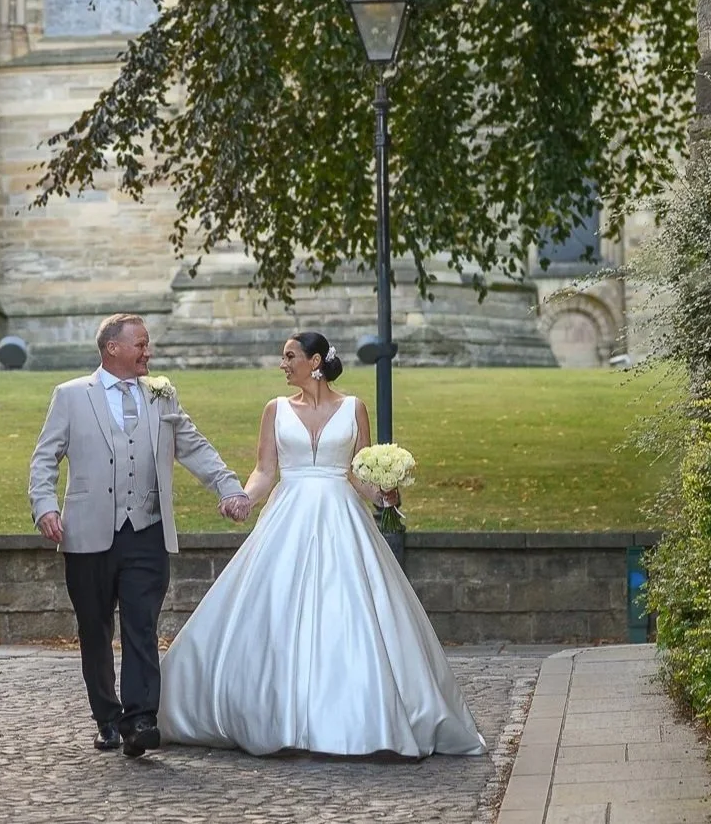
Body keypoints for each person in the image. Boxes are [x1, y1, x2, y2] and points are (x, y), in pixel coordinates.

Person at [158, 331, 485, 758]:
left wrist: (387, 492)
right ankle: (270, 713)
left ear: (314, 362)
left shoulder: (354, 409)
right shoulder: (274, 410)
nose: (283, 364)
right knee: (275, 610)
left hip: (341, 517)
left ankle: (359, 719)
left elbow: (358, 472)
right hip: (287, 515)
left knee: (351, 611)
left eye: (289, 356)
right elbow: (264, 470)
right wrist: (243, 498)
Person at [27, 314, 252, 758]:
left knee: (141, 625)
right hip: (88, 533)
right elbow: (44, 458)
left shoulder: (161, 394)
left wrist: (229, 487)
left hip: (147, 529)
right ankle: (107, 719)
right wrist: (45, 506)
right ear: (113, 348)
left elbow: (193, 444)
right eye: (141, 344)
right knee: (94, 629)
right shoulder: (71, 396)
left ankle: (141, 718)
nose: (148, 352)